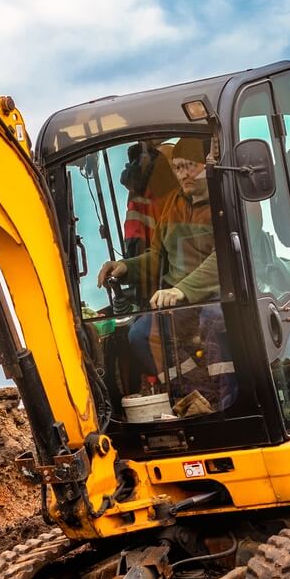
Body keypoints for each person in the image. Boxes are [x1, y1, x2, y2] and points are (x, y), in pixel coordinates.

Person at [97, 137, 236, 414]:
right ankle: (192, 395)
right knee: (140, 334)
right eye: (177, 167)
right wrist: (126, 267)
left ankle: (228, 403)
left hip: (221, 294)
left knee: (214, 318)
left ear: (209, 165)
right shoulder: (174, 202)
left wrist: (181, 291)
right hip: (182, 300)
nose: (182, 175)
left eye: (189, 167)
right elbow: (157, 257)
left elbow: (223, 258)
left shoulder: (230, 200)